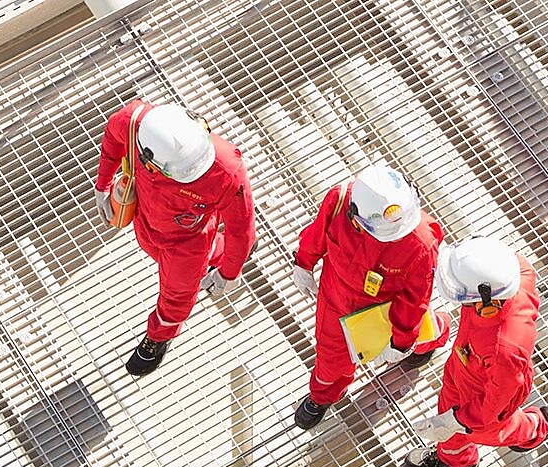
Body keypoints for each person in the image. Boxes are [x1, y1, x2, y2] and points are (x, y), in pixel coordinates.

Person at [95, 100, 257, 376]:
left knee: (177, 294)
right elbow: (112, 140)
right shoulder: (132, 122)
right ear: (149, 159)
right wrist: (103, 184)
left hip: (188, 241)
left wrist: (230, 273)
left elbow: (241, 228)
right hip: (146, 220)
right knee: (163, 255)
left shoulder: (226, 168)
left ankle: (160, 335)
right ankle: (221, 253)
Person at [288, 166, 445, 429]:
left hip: (387, 309)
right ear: (355, 216)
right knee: (331, 360)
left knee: (420, 330)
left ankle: (429, 342)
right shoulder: (340, 200)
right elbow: (318, 232)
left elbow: (415, 299)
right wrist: (303, 263)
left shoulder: (421, 241)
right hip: (336, 301)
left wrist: (401, 342)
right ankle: (322, 397)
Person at [403, 237, 548, 467]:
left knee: (488, 429)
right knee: (448, 413)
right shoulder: (511, 271)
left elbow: (493, 406)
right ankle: (456, 459)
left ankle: (534, 429)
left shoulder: (506, 348)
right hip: (465, 365)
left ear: (485, 299)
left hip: (489, 392)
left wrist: (459, 421)